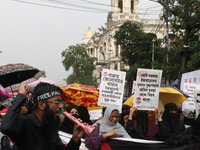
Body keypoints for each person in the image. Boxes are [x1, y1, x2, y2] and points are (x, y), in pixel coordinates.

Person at [1, 83, 84, 150]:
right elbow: (7, 128)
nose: (61, 106)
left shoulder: (50, 128)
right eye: (57, 102)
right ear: (41, 105)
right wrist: (20, 96)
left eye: (61, 102)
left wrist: (75, 139)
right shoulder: (25, 124)